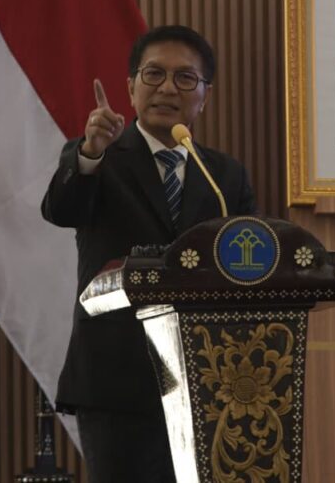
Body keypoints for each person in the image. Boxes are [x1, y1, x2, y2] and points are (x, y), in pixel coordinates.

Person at [41, 25, 256, 483]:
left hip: (206, 379)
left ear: (205, 95)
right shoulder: (98, 158)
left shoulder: (224, 176)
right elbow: (61, 209)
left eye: (185, 78)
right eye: (154, 74)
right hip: (117, 379)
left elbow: (249, 268)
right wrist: (90, 153)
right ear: (130, 87)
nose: (167, 88)